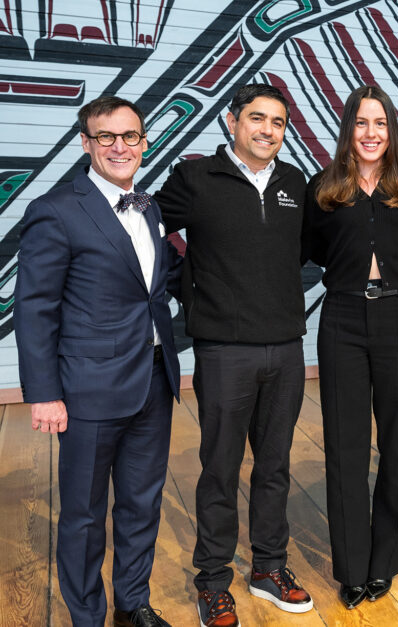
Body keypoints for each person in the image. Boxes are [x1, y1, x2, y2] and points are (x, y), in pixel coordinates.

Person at [14, 95, 182, 627]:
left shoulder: (150, 207)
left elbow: (152, 289)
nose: (119, 147)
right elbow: (34, 308)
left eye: (130, 136)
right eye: (105, 137)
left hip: (154, 382)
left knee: (142, 506)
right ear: (85, 143)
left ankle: (133, 606)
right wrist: (43, 393)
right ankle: (87, 616)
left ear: (144, 142)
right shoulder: (56, 209)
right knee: (84, 516)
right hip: (87, 390)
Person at [154, 83, 312, 627]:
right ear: (232, 122)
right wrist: (186, 285)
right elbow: (145, 233)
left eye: (278, 122)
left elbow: (315, 248)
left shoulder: (296, 184)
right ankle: (213, 581)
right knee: (219, 470)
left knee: (274, 468)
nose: (267, 129)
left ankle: (269, 567)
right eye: (256, 118)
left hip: (287, 349)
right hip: (224, 352)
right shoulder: (195, 180)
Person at [303, 85, 398, 610]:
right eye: (361, 123)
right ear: (347, 129)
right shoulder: (323, 187)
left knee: (397, 445)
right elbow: (306, 250)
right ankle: (352, 568)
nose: (371, 133)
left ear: (391, 130)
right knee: (345, 446)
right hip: (344, 318)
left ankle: (384, 564)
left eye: (380, 123)